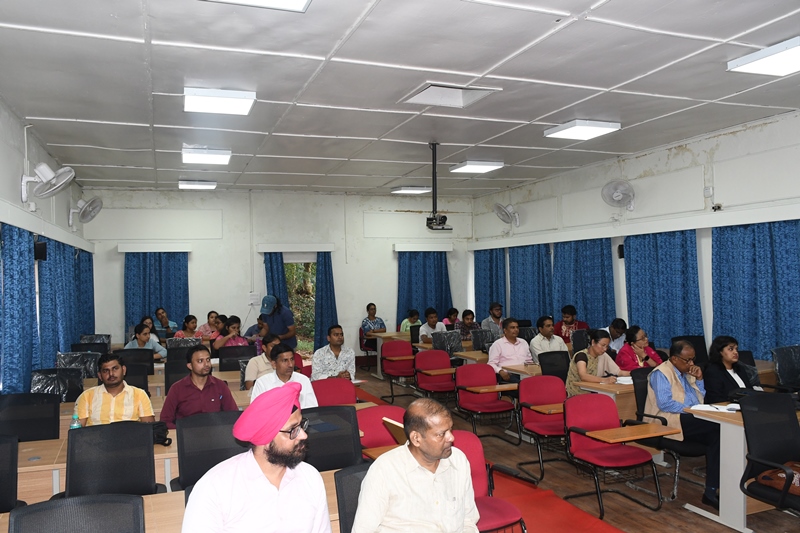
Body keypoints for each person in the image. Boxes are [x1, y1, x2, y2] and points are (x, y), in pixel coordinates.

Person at [182, 382, 331, 533]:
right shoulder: (215, 488)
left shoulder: (310, 478)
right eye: (293, 430)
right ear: (265, 438)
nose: (303, 435)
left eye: (301, 425)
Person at [352, 398, 479, 533]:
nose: (451, 438)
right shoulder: (384, 470)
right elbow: (362, 530)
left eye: (450, 430)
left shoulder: (458, 460)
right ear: (416, 439)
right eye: (441, 434)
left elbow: (468, 520)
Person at [645, 340, 721, 509]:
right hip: (666, 420)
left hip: (688, 417)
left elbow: (700, 398)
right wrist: (693, 410)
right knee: (717, 425)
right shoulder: (661, 373)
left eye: (693, 359)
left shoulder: (686, 372)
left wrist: (699, 379)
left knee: (716, 436)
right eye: (687, 360)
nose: (691, 363)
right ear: (674, 359)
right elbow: (665, 404)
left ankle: (710, 491)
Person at [160, 344, 238, 429]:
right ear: (190, 366)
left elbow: (233, 415)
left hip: (215, 432)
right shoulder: (176, 389)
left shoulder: (220, 386)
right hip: (188, 433)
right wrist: (181, 431)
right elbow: (165, 421)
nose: (206, 364)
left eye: (208, 360)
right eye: (200, 361)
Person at [74, 353, 155, 427]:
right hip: (96, 438)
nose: (111, 374)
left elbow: (149, 429)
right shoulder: (87, 396)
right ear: (100, 376)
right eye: (106, 371)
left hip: (129, 438)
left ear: (123, 370)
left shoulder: (139, 395)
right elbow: (77, 431)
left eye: (115, 369)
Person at [251, 343, 318, 408]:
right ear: (274, 364)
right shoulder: (262, 383)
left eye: (292, 359)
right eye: (285, 360)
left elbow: (312, 409)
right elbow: (256, 410)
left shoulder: (303, 380)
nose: (290, 365)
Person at [565, 329, 628, 397]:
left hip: (592, 391)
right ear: (593, 342)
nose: (605, 349)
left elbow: (619, 372)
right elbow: (583, 376)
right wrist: (605, 380)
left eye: (607, 346)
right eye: (603, 345)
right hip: (576, 394)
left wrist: (633, 373)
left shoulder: (602, 355)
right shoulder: (581, 356)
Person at [704, 335, 762, 404]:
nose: (735, 352)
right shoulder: (713, 372)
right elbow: (715, 399)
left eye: (736, 349)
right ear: (720, 352)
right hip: (727, 408)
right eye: (731, 349)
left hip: (747, 405)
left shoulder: (740, 369)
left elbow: (749, 391)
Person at [488, 317, 534, 389]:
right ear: (505, 330)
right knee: (525, 386)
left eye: (517, 327)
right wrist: (500, 371)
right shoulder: (498, 344)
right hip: (508, 375)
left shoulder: (523, 342)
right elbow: (491, 364)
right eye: (512, 328)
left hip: (524, 373)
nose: (516, 330)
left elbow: (529, 361)